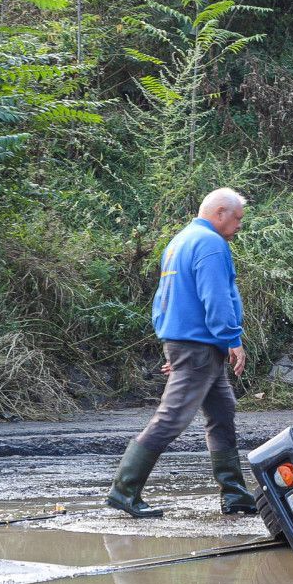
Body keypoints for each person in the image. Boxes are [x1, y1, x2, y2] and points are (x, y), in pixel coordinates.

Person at [106, 188, 257, 518]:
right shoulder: (212, 245)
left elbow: (164, 299)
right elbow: (216, 299)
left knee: (222, 411)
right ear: (219, 212)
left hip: (190, 344)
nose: (239, 226)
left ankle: (234, 494)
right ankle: (124, 490)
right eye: (237, 219)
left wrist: (172, 343)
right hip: (201, 346)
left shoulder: (179, 242)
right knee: (172, 417)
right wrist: (232, 339)